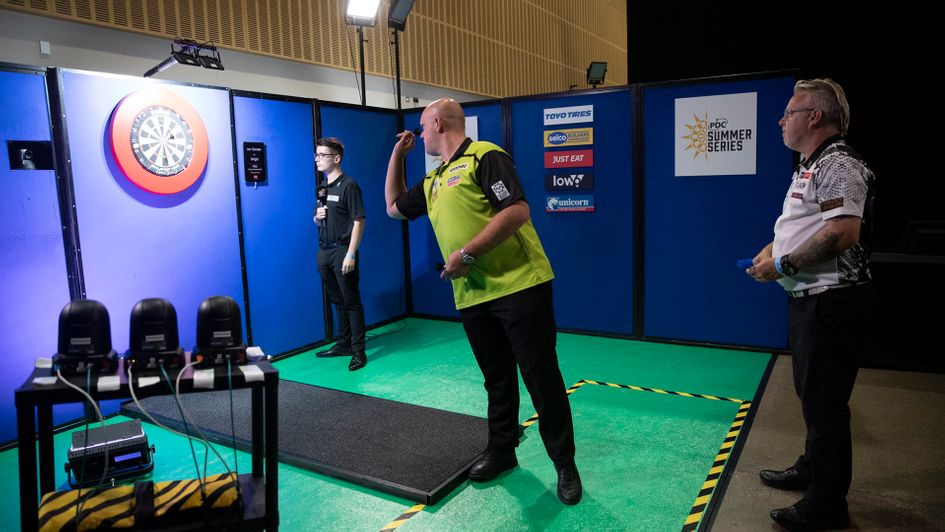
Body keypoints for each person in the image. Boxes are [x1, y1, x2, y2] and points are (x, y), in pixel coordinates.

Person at [384, 98, 581, 505]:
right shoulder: (435, 178)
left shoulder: (484, 156)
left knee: (541, 377)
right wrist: (396, 156)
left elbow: (517, 211)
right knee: (497, 379)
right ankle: (503, 451)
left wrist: (468, 254)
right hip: (473, 295)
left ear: (437, 121)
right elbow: (392, 209)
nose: (419, 135)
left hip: (520, 286)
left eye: (421, 127)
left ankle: (564, 464)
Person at [747, 78, 875, 531]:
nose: (782, 121)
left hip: (833, 302)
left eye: (789, 113)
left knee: (825, 404)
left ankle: (827, 504)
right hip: (810, 300)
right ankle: (812, 467)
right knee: (812, 396)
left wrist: (781, 265)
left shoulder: (839, 162)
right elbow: (804, 226)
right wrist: (772, 249)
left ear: (815, 117)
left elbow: (842, 233)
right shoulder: (810, 164)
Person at [313, 137, 368, 371]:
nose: (317, 159)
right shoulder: (322, 188)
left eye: (322, 155)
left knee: (351, 302)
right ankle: (343, 343)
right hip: (324, 252)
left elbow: (359, 221)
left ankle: (358, 352)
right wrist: (317, 217)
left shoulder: (349, 185)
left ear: (336, 158)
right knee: (337, 301)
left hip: (342, 251)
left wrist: (351, 254)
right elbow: (318, 220)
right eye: (316, 155)